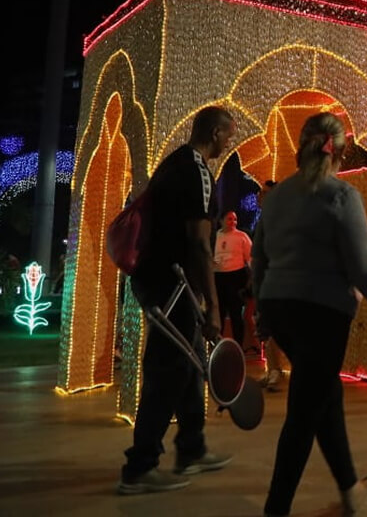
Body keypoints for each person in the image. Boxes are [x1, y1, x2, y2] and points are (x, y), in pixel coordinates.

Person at [252, 113, 367, 517]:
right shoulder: (342, 196)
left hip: (281, 308)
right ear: (340, 153)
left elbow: (259, 259)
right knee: (303, 414)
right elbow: (362, 266)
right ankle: (275, 508)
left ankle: (350, 487)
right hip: (322, 313)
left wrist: (262, 308)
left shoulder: (275, 196)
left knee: (324, 395)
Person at [118, 105, 236, 495]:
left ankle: (191, 448)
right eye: (228, 135)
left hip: (155, 279)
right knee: (168, 370)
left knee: (189, 363)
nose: (229, 142)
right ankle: (140, 466)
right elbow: (201, 245)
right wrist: (213, 307)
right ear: (216, 133)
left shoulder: (172, 163)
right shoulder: (198, 171)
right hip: (173, 284)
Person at [254, 180, 288, 391]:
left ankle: (277, 370)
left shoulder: (279, 220)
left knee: (273, 326)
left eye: (265, 193)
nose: (260, 196)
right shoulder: (265, 219)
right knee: (265, 326)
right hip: (265, 279)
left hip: (276, 280)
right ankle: (272, 369)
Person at [213, 211, 252, 348]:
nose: (233, 222)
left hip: (235, 278)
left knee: (236, 314)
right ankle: (217, 348)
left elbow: (250, 259)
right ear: (221, 220)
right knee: (219, 314)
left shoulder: (242, 237)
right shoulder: (215, 236)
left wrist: (251, 279)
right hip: (218, 277)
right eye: (229, 219)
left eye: (235, 219)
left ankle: (238, 347)